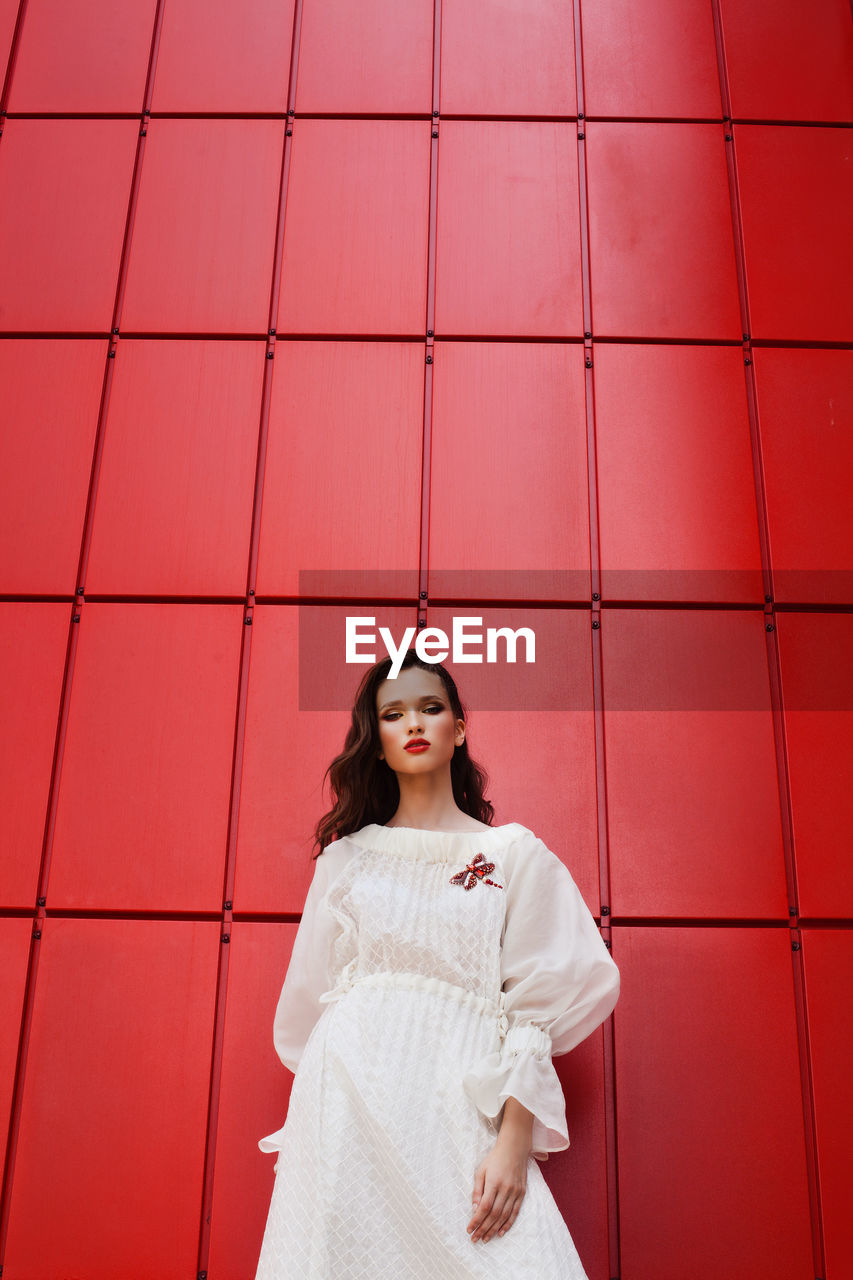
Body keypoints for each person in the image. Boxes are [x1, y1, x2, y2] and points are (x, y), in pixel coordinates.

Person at [254, 647, 620, 1278]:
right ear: (376, 742)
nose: (415, 724)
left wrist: (512, 1141)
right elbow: (310, 1005)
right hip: (347, 1104)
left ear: (460, 726)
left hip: (459, 1106)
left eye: (431, 707)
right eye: (393, 715)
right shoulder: (346, 862)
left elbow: (536, 1005)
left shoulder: (511, 855)